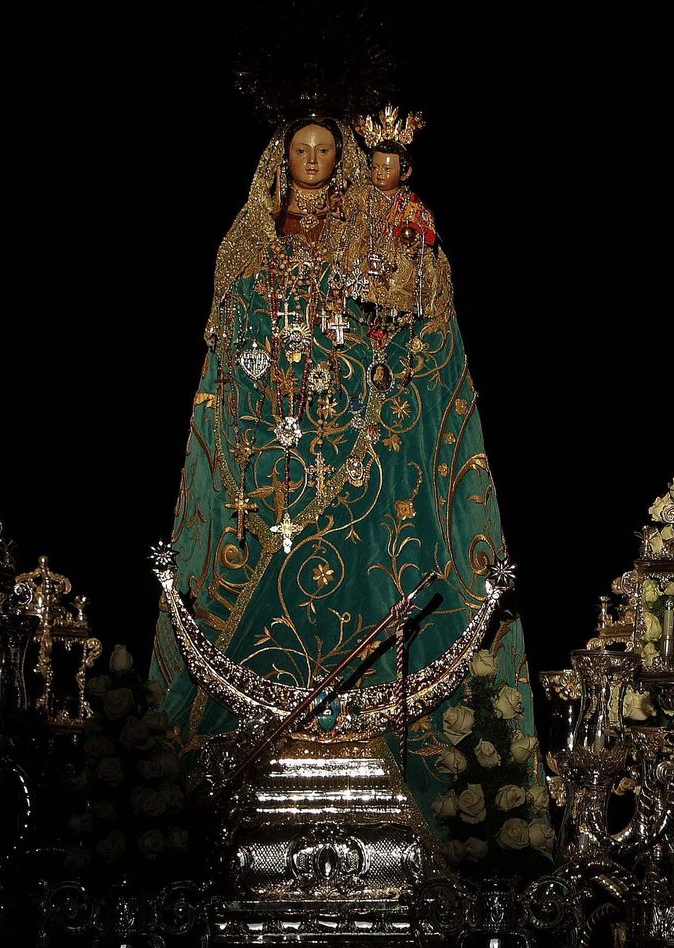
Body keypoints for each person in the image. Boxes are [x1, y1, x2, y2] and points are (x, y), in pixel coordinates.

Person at [151, 114, 551, 870]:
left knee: (365, 560)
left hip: (352, 434)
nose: (311, 163)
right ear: (280, 160)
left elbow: (408, 299)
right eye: (300, 151)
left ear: (343, 161)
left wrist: (392, 283)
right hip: (271, 444)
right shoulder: (252, 237)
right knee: (264, 571)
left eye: (324, 152)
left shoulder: (365, 222)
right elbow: (234, 321)